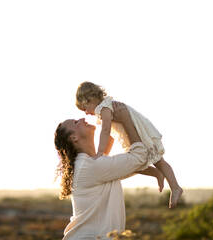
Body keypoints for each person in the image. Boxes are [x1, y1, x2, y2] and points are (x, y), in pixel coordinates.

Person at [75, 81, 183, 208]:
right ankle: (159, 174)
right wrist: (105, 153)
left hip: (139, 134)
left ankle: (175, 187)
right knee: (138, 163)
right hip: (135, 136)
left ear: (88, 99)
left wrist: (99, 152)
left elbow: (105, 131)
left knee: (158, 161)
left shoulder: (103, 109)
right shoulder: (106, 107)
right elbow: (111, 136)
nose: (86, 113)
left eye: (84, 109)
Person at [54, 102, 150, 239]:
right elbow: (139, 157)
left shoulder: (89, 163)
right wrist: (126, 119)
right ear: (73, 138)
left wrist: (108, 118)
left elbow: (128, 164)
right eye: (76, 122)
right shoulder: (89, 166)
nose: (82, 119)